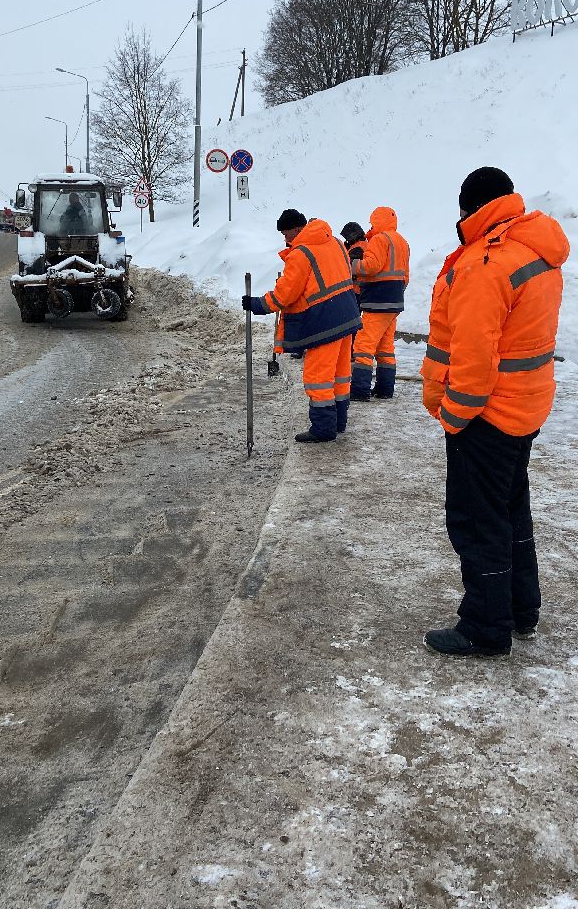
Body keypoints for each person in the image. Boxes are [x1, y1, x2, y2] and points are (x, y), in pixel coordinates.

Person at [421, 166, 570, 659]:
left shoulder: (488, 263)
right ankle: (521, 608)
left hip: (485, 415)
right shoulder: (534, 249)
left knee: (477, 520)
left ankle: (486, 626)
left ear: (471, 208)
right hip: (523, 407)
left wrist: (455, 415)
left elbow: (474, 352)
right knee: (509, 511)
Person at [242, 209, 362, 443]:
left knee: (318, 377)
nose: (286, 241)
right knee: (339, 375)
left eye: (287, 235)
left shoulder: (301, 253)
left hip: (323, 323)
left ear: (297, 230)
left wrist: (257, 304)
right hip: (347, 315)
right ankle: (338, 422)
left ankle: (323, 429)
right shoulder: (335, 242)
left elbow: (285, 294)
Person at [349, 207, 410, 402]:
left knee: (363, 345)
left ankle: (360, 390)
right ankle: (385, 389)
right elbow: (405, 276)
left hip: (377, 301)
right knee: (385, 347)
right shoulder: (402, 241)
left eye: (372, 222)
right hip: (394, 301)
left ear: (377, 221)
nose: (370, 226)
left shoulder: (379, 239)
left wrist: (353, 265)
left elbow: (372, 266)